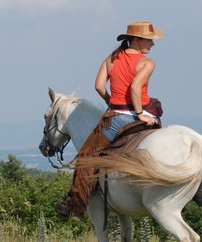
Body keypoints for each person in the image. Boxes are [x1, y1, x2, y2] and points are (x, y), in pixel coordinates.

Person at [57, 21, 164, 221]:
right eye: (149, 40)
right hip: (144, 115)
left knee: (87, 158)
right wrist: (140, 113)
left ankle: (77, 207)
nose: (152, 44)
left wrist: (111, 103)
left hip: (116, 119)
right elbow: (135, 89)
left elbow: (98, 86)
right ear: (136, 40)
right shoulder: (147, 63)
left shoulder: (111, 59)